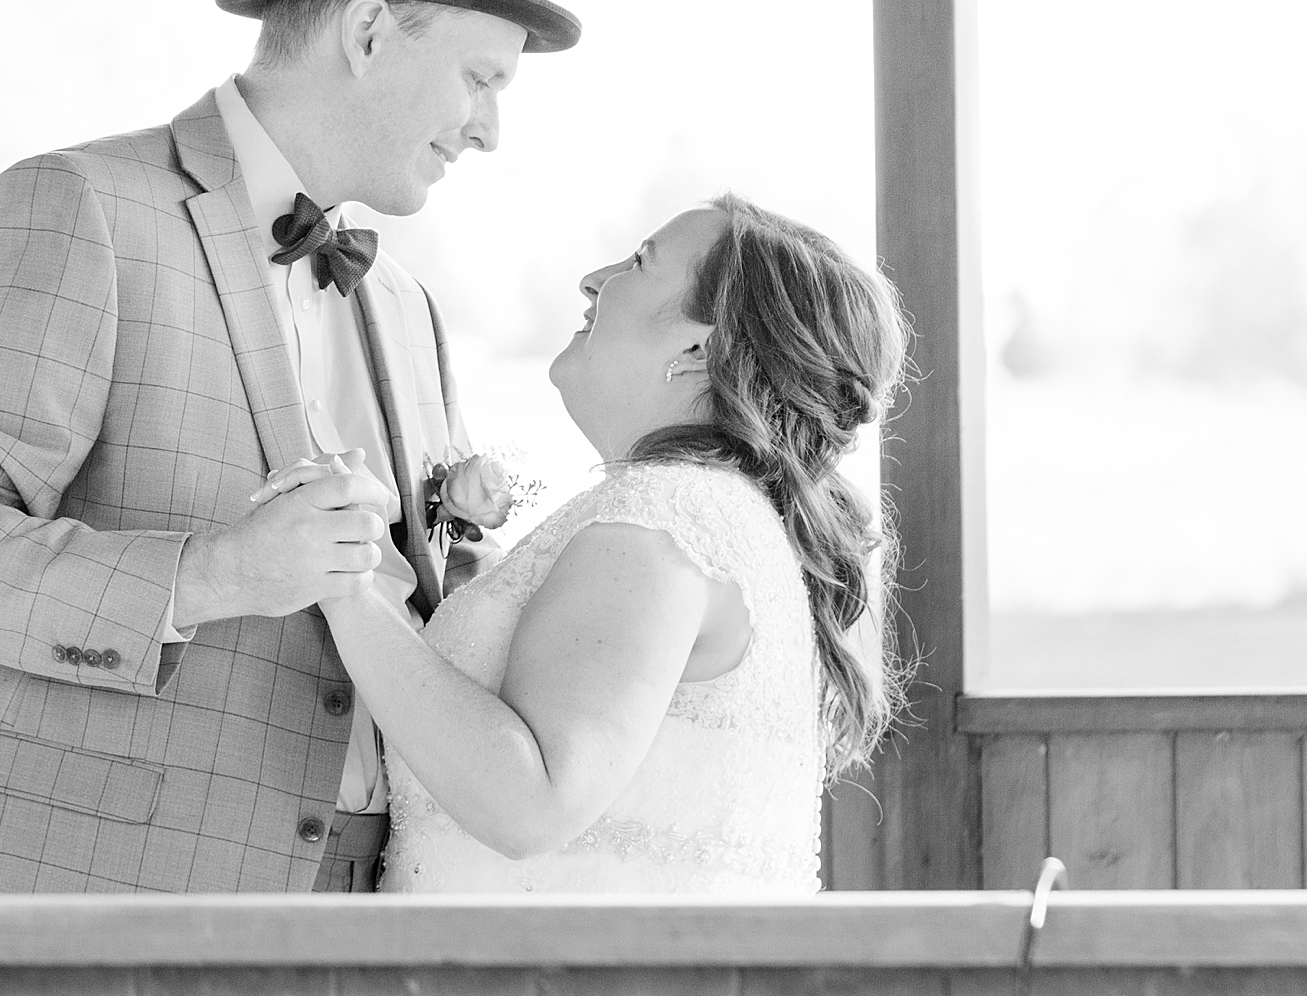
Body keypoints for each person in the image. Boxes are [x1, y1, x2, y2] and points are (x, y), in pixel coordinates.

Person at [0, 0, 579, 894]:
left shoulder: (406, 308)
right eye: (481, 79)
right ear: (368, 32)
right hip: (83, 908)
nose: (489, 130)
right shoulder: (79, 209)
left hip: (366, 904)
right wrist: (216, 573)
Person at [313, 196, 911, 892]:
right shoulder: (721, 516)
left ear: (697, 348)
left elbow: (530, 801)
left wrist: (345, 587)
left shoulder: (662, 521)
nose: (594, 279)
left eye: (637, 262)